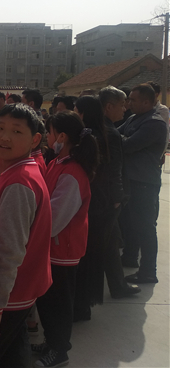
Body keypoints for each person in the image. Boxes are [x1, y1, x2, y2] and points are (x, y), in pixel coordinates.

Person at [0, 104, 52, 368]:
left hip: (8, 295)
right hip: (16, 291)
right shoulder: (9, 172)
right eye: (0, 129)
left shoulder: (19, 183)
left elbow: (8, 251)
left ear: (35, 139)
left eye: (17, 131)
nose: (5, 137)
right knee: (14, 349)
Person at [34, 111, 97, 368]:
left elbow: (56, 219)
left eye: (49, 133)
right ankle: (51, 341)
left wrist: (33, 231)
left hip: (63, 249)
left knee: (58, 303)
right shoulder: (59, 163)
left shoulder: (72, 172)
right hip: (53, 247)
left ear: (61, 137)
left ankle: (60, 350)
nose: (47, 138)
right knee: (47, 300)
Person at [74, 93, 140, 318]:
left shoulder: (103, 133)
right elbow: (114, 169)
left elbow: (114, 169)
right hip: (106, 200)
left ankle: (103, 293)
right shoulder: (103, 132)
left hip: (105, 199)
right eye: (122, 104)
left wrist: (117, 197)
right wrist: (117, 197)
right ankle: (116, 287)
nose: (125, 108)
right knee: (108, 244)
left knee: (103, 245)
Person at [118, 84, 167, 284]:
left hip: (144, 182)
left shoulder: (154, 123)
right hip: (132, 179)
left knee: (145, 227)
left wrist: (120, 138)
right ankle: (130, 257)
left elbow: (127, 145)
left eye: (133, 99)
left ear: (147, 102)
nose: (129, 103)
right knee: (131, 223)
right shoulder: (134, 118)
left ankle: (148, 271)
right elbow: (116, 134)